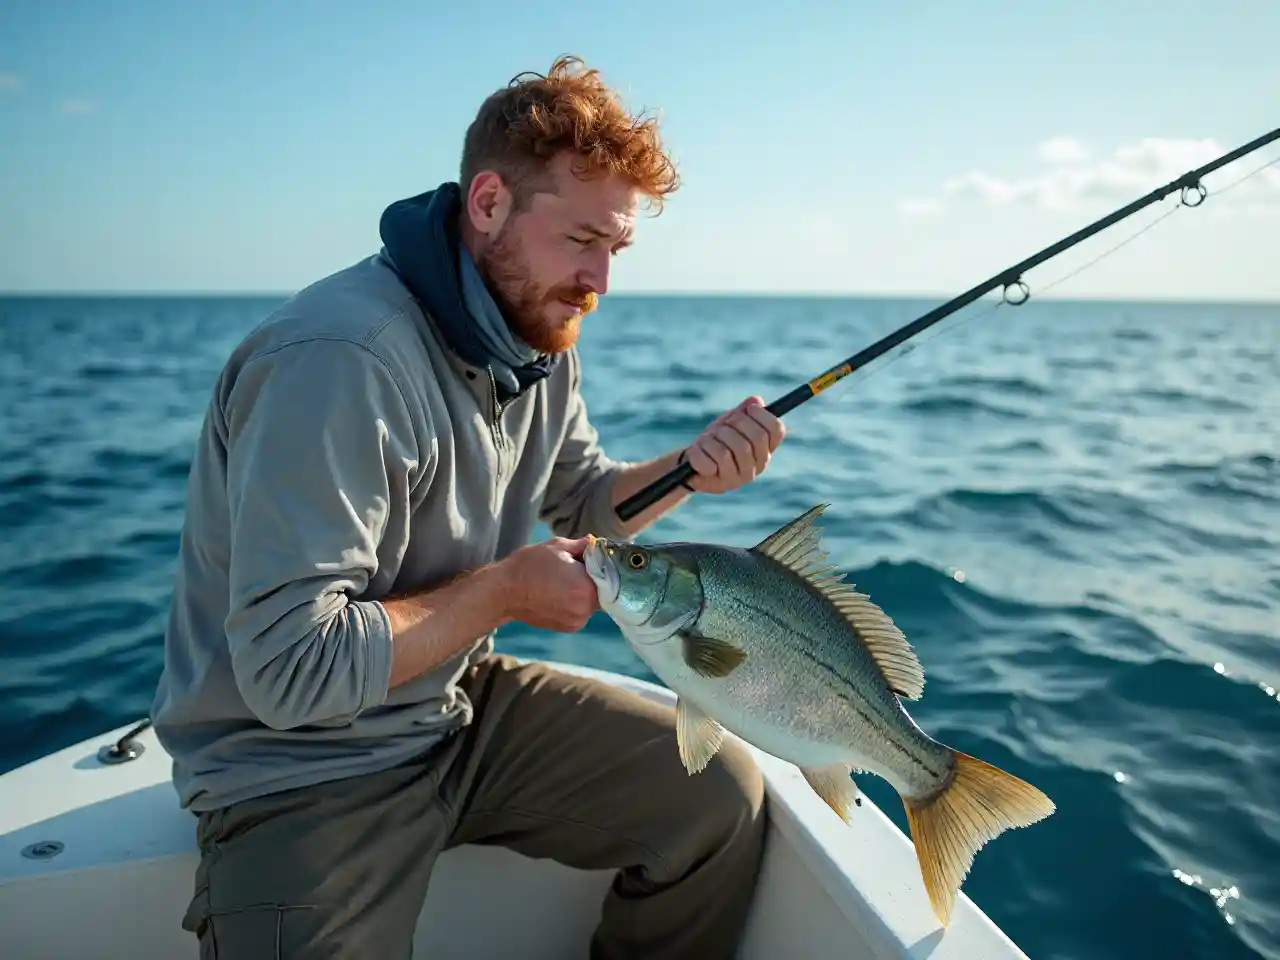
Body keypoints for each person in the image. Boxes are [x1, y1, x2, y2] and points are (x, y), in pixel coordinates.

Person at [150, 54, 787, 959]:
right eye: (580, 241)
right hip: (293, 772)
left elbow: (582, 502)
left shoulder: (539, 333)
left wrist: (691, 468)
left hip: (451, 709)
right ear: (487, 204)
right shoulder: (338, 360)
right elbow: (290, 672)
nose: (601, 281)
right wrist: (503, 593)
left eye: (617, 248)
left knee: (718, 797)